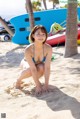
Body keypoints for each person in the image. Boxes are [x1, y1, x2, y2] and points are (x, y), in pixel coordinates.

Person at [16, 25, 52, 95]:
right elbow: (33, 69)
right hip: (26, 64)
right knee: (31, 69)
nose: (41, 36)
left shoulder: (48, 48)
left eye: (43, 34)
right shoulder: (28, 49)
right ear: (33, 35)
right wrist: (38, 86)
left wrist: (46, 85)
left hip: (38, 64)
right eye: (38, 34)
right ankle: (18, 80)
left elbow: (47, 67)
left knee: (42, 67)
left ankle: (36, 80)